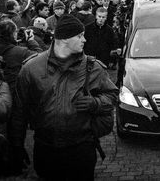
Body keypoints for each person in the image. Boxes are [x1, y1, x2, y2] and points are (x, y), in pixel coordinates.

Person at [9, 14, 118, 180]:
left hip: (81, 147)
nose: (84, 40)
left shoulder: (93, 67)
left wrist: (95, 103)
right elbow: (19, 110)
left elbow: (112, 95)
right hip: (46, 148)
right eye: (79, 36)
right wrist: (16, 144)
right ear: (64, 38)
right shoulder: (32, 68)